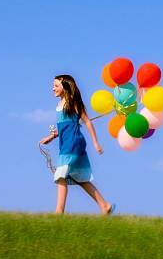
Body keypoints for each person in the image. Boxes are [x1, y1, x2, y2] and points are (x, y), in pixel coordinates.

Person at [39, 74, 116, 215]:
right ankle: (104, 205)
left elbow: (87, 121)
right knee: (79, 178)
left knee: (61, 175)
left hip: (74, 143)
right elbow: (64, 126)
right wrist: (51, 136)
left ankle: (59, 211)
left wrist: (96, 143)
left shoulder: (72, 103)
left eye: (56, 85)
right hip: (66, 144)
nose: (53, 88)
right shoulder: (59, 105)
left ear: (65, 87)